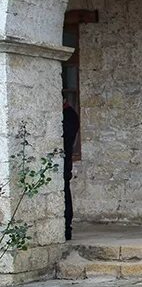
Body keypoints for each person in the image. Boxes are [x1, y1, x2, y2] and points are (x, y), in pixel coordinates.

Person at [62, 98, 80, 240]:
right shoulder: (68, 115)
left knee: (64, 192)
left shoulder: (69, 115)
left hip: (64, 160)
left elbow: (66, 140)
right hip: (63, 160)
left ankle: (66, 228)